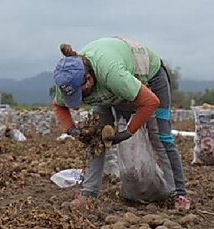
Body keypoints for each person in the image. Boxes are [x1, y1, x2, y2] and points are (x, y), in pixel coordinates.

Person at [52, 36, 190, 211]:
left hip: (150, 78)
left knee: (161, 137)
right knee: (95, 138)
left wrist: (128, 132)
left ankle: (178, 193)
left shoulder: (112, 74)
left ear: (89, 79)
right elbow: (58, 106)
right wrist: (73, 131)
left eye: (82, 92)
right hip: (112, 90)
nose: (81, 98)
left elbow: (150, 102)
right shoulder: (66, 80)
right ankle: (88, 194)